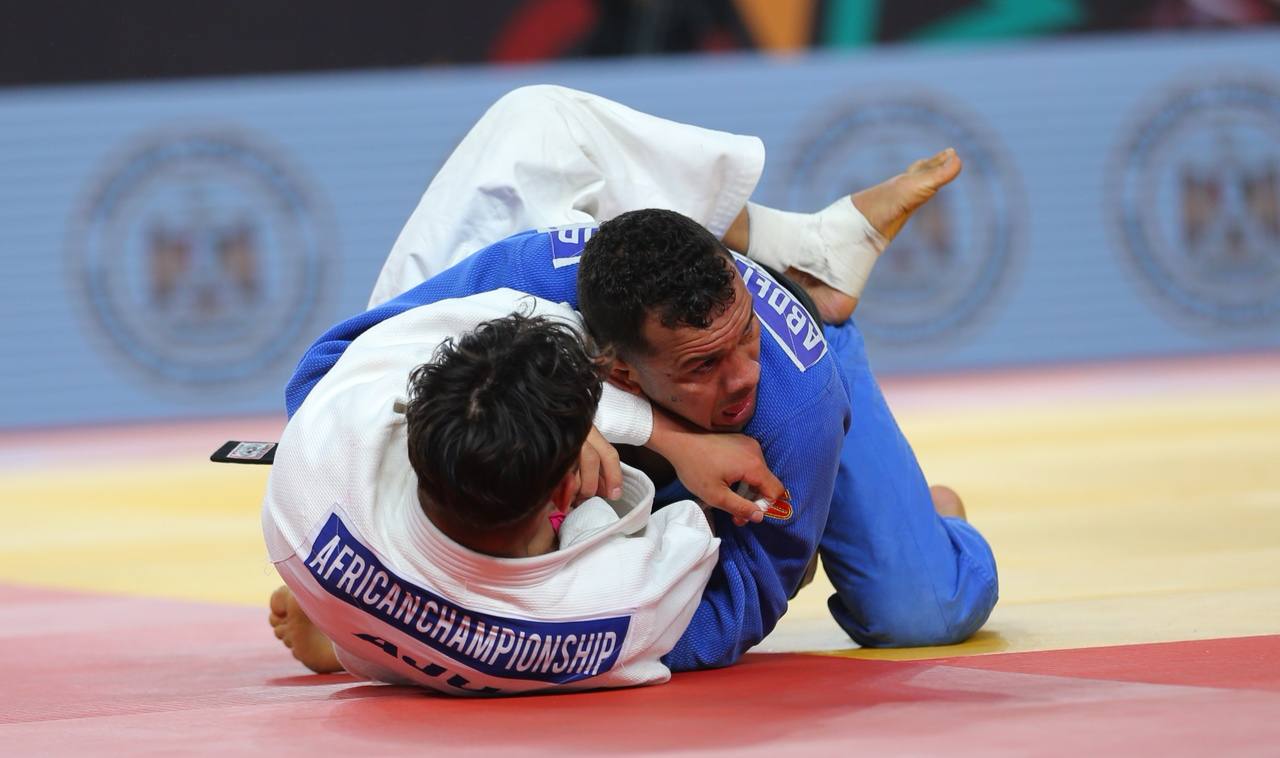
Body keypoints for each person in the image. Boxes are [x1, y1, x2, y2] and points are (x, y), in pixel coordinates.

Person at [283, 85, 998, 663]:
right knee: (532, 134)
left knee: (921, 612)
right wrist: (575, 424)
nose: (740, 379)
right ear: (614, 367)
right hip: (607, 360)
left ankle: (926, 523)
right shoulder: (521, 277)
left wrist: (551, 648)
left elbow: (743, 603)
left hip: (799, 356)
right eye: (705, 366)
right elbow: (330, 378)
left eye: (742, 343)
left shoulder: (790, 399)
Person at [266, 289, 726, 695]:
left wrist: (564, 433)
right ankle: (350, 644)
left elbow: (352, 348)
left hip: (343, 598)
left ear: (414, 428)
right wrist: (657, 433)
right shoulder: (625, 602)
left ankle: (344, 642)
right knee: (603, 514)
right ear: (566, 491)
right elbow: (702, 527)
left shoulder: (312, 466)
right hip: (484, 638)